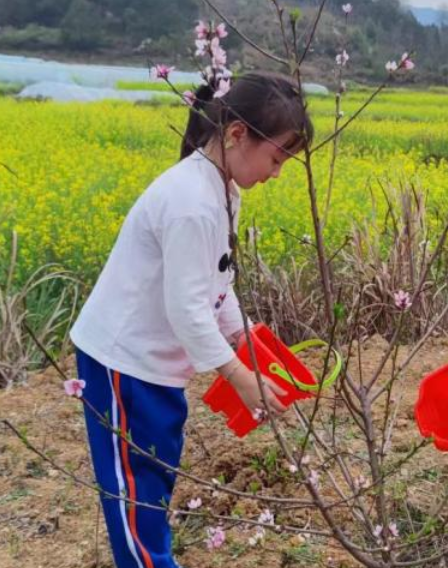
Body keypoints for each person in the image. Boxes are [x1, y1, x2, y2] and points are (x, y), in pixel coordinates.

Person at [70, 72, 313, 568]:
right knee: (135, 491)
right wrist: (240, 375)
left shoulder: (222, 191)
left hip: (156, 366)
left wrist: (243, 339)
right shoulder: (192, 204)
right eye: (278, 157)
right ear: (237, 134)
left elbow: (214, 284)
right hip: (124, 362)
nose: (277, 172)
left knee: (154, 473)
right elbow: (186, 308)